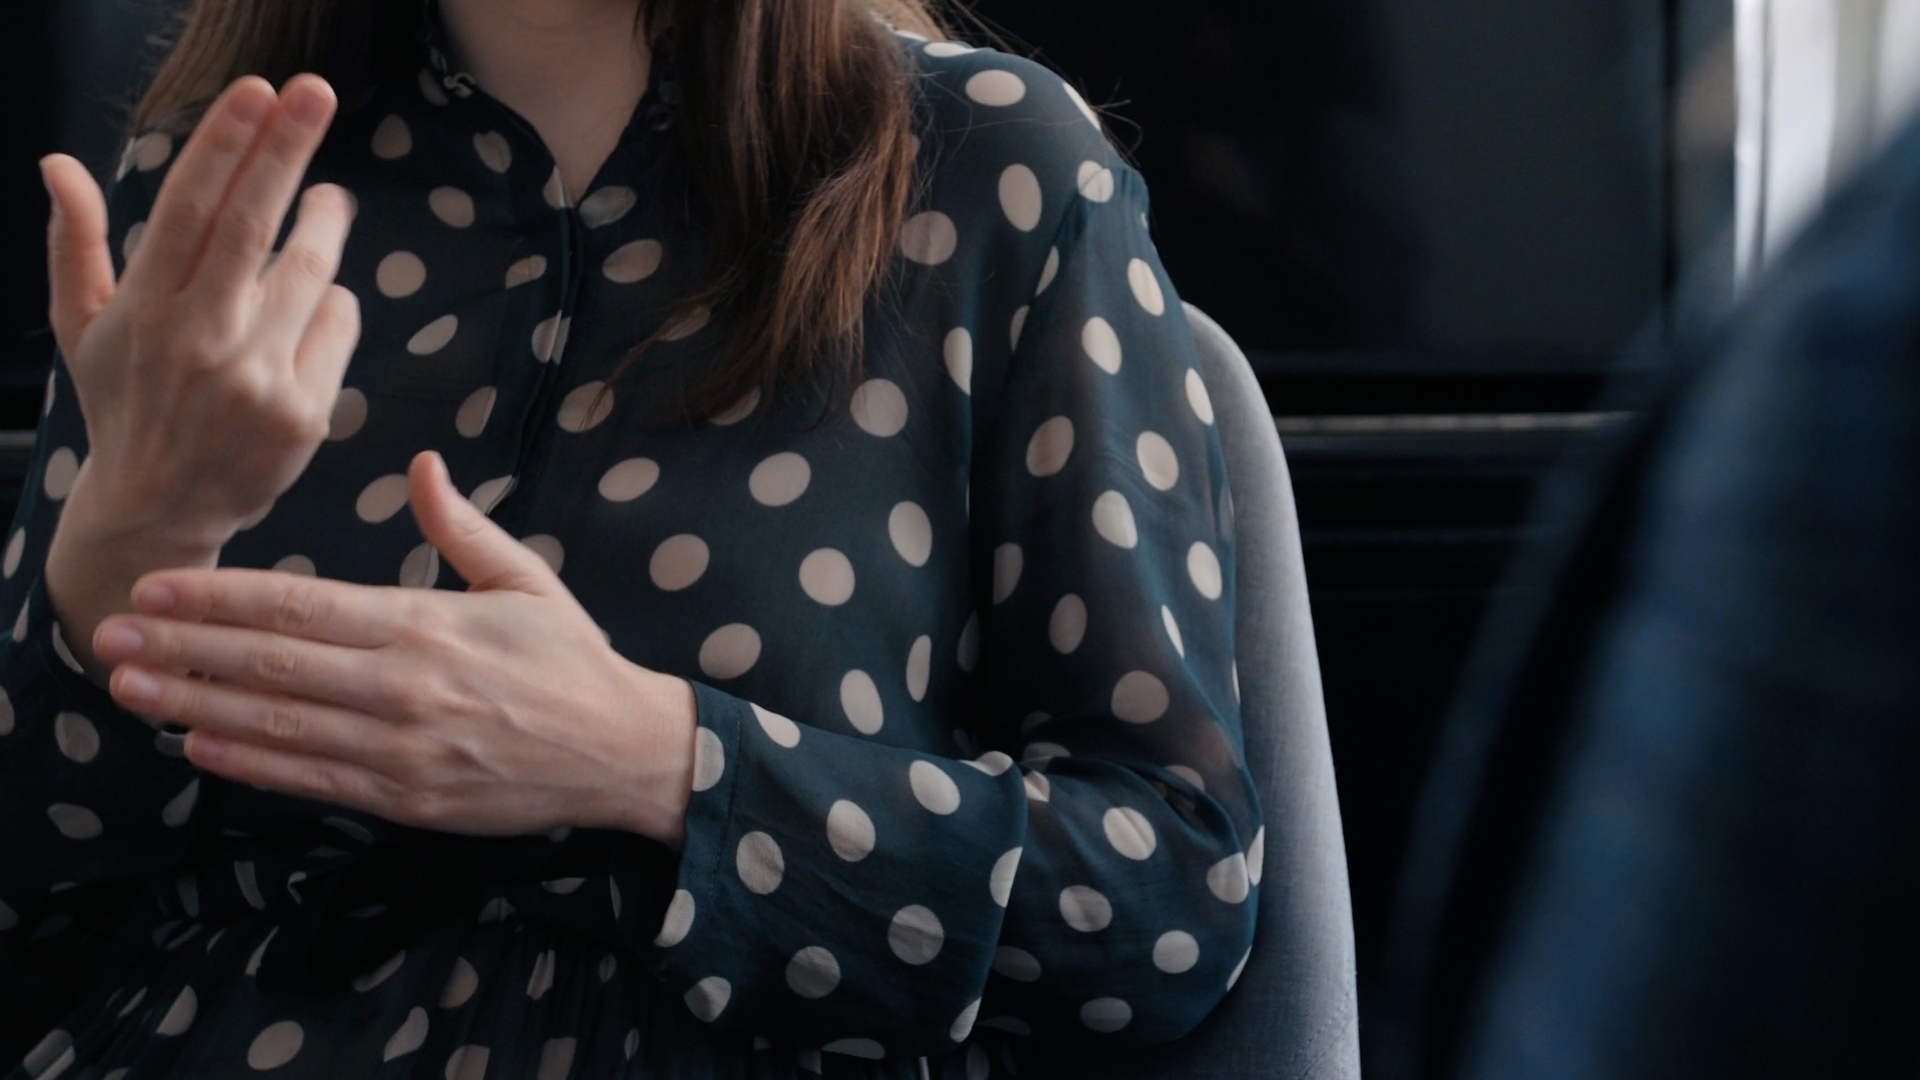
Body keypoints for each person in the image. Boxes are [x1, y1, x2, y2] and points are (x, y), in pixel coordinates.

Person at [0, 0, 1262, 1076]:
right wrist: (129, 536)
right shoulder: (216, 191)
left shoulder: (992, 163)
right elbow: (33, 912)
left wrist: (655, 761)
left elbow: (1168, 899)